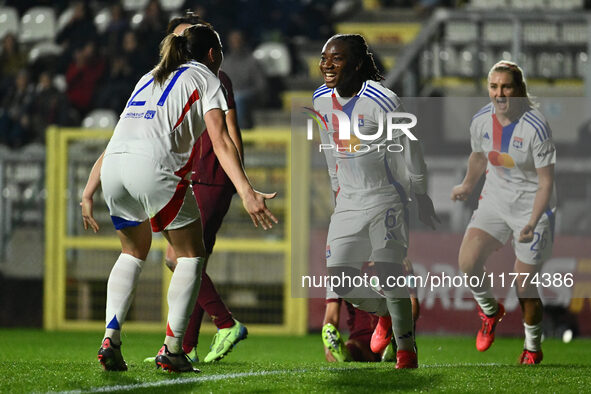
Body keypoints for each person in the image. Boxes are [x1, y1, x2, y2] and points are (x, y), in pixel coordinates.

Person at [81, 24, 277, 373]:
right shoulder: (206, 78)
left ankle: (110, 337)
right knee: (190, 255)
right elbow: (220, 140)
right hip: (155, 169)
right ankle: (173, 350)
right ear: (214, 55)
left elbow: (121, 135)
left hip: (113, 169)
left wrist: (88, 190)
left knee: (131, 252)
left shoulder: (149, 76)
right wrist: (246, 191)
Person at [313, 34, 438, 369]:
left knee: (389, 271)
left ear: (355, 64)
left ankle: (406, 350)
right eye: (324, 57)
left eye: (336, 58)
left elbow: (412, 151)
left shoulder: (383, 102)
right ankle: (385, 312)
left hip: (385, 196)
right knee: (339, 278)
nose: (327, 64)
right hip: (348, 199)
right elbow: (330, 150)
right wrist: (336, 192)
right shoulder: (321, 99)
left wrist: (422, 193)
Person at [147, 13, 248, 365]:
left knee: (179, 258)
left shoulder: (214, 79)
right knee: (193, 263)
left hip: (210, 175)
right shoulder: (175, 80)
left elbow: (229, 132)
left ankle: (226, 323)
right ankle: (184, 346)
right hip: (191, 176)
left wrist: (240, 181)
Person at [451, 60, 556, 365]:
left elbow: (546, 181)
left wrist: (533, 221)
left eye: (506, 86)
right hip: (495, 200)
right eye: (494, 87)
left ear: (519, 90)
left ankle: (532, 347)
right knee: (467, 262)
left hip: (532, 206)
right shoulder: (481, 120)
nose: (499, 93)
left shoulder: (536, 127)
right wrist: (468, 185)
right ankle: (489, 309)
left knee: (524, 284)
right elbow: (478, 156)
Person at [322, 259, 420, 363]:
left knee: (391, 344)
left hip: (391, 331)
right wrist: (327, 347)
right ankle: (342, 354)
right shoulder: (340, 270)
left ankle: (395, 346)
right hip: (360, 338)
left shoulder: (400, 262)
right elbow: (331, 316)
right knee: (352, 348)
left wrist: (398, 327)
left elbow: (412, 307)